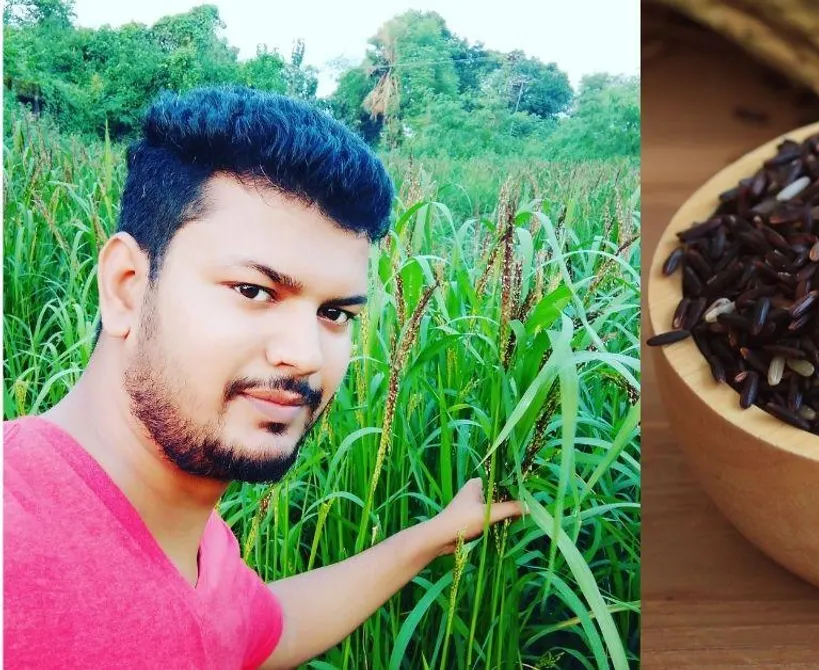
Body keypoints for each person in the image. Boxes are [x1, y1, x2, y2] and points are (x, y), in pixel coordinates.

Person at [3, 85, 524, 669]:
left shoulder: (189, 532)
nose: (304, 356)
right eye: (253, 291)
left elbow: (252, 632)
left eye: (334, 314)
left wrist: (433, 535)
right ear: (126, 285)